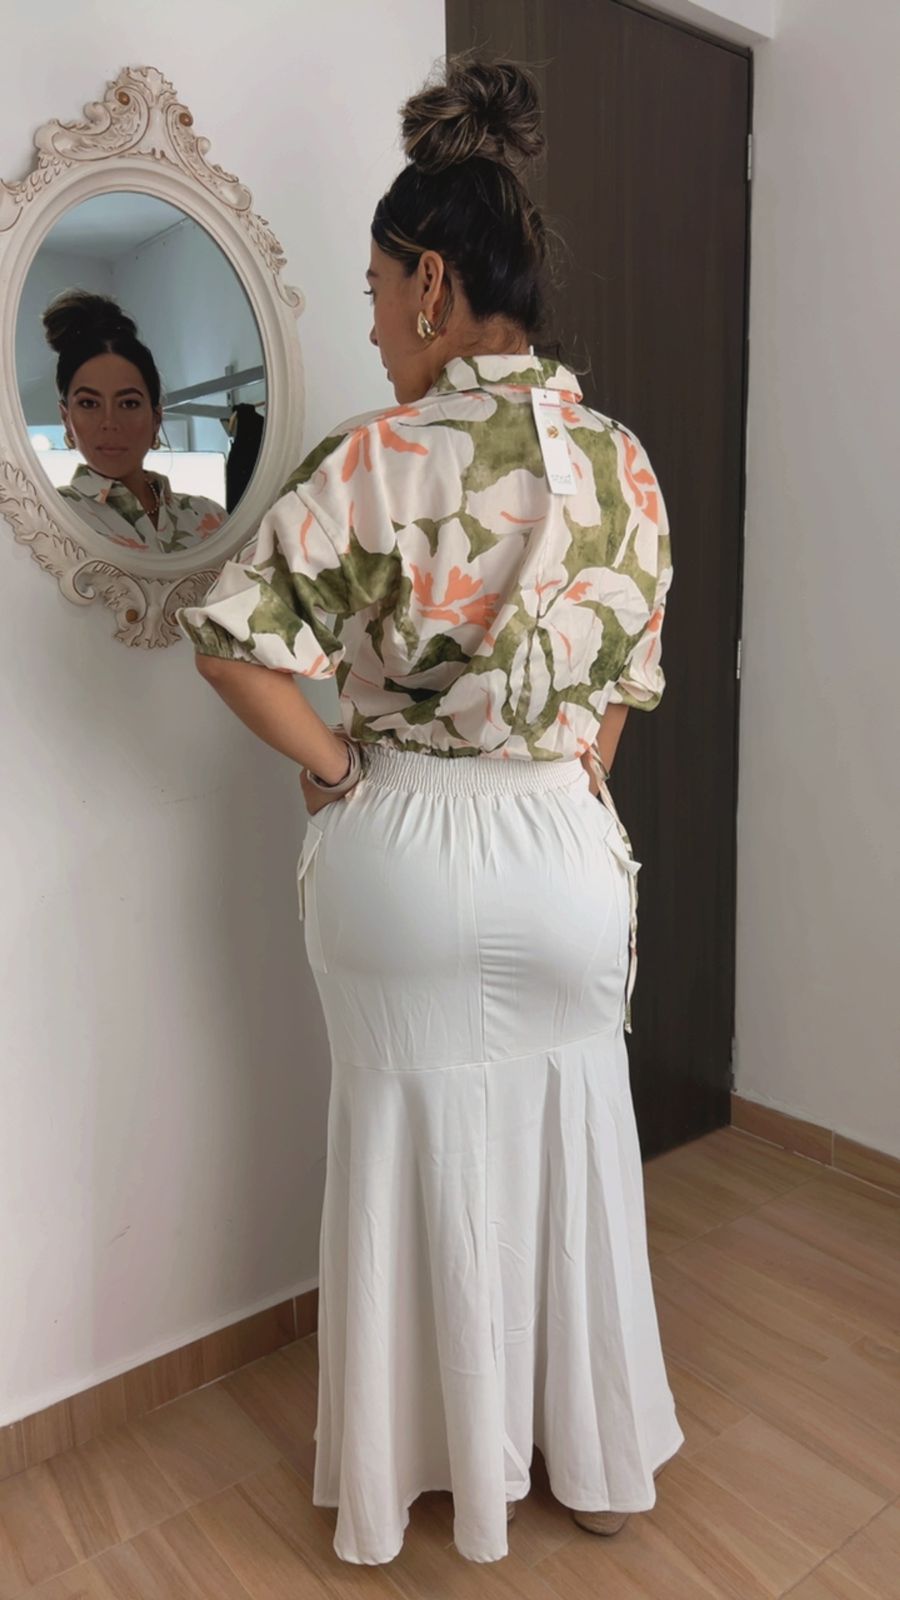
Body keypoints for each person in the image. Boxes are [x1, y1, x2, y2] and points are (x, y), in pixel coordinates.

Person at [178, 55, 684, 1567]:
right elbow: (626, 679)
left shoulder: (371, 458)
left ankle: (409, 1486)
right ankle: (594, 1465)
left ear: (435, 286)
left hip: (404, 844)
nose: (373, 321)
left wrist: (342, 771)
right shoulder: (625, 464)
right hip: (565, 845)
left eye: (377, 290)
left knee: (408, 1147)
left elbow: (231, 642)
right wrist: (572, 780)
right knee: (572, 1138)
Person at [43, 291, 227, 555]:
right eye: (89, 403)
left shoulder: (209, 519)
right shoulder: (49, 519)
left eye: (128, 403)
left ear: (156, 418)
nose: (109, 422)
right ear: (66, 418)